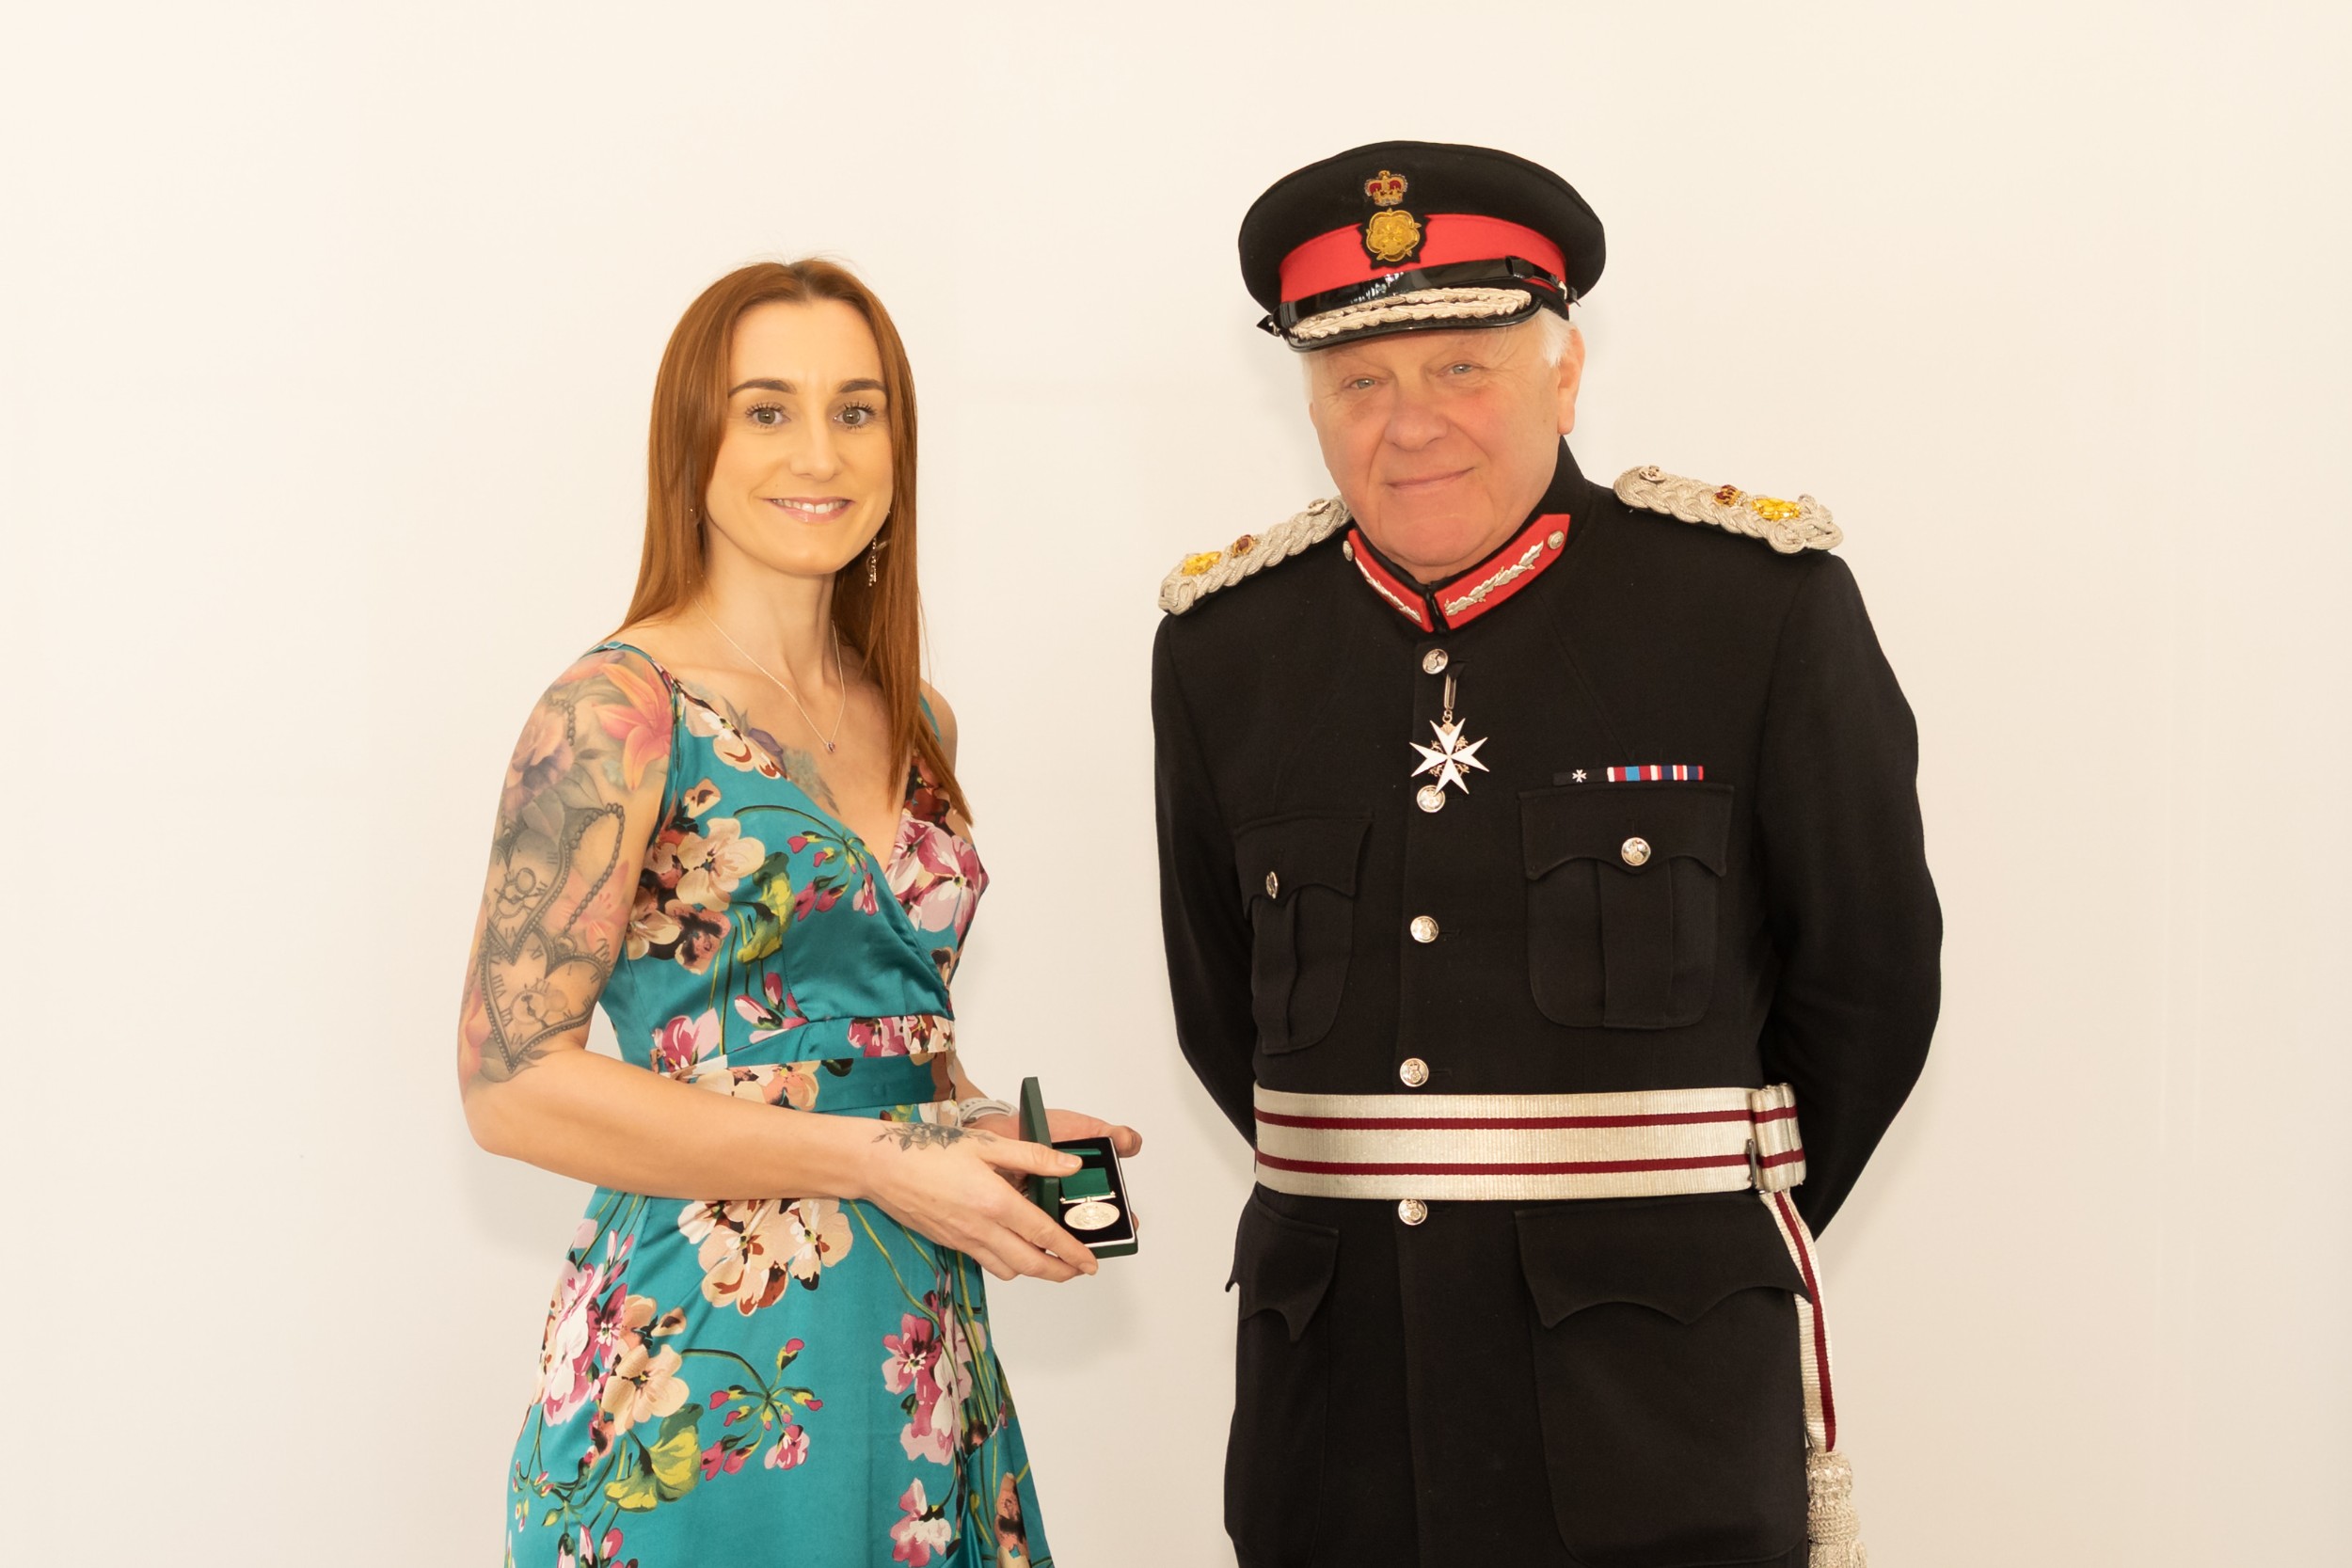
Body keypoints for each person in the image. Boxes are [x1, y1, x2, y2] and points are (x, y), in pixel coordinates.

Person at [1152, 142, 1940, 1567]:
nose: (1410, 425)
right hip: (1334, 1427)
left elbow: (1870, 990)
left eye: (1463, 367)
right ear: (1309, 401)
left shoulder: (1752, 610)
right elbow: (1225, 1018)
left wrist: (1680, 1239)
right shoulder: (1225, 653)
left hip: (1655, 1416)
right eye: (1359, 382)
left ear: (1564, 372)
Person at [460, 259, 1136, 1568]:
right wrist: (876, 1162)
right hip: (704, 1366)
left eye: (858, 409)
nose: (818, 450)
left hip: (913, 1346)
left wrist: (978, 1134)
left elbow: (860, 1045)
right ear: (692, 446)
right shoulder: (615, 711)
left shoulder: (917, 712)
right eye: (766, 410)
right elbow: (510, 1089)